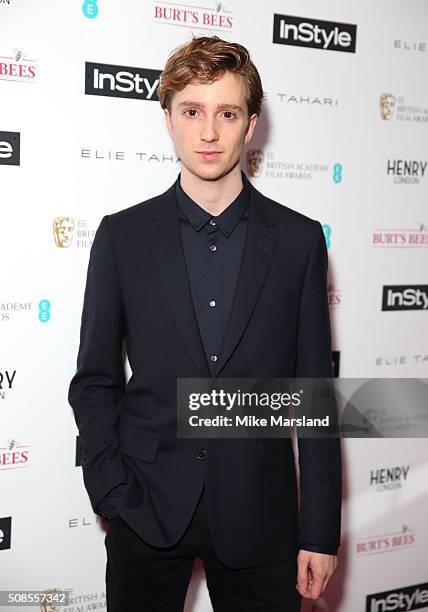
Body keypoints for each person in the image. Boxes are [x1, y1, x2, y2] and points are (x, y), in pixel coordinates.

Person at [68, 35, 341, 612]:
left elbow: (314, 395)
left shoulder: (299, 241)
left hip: (262, 519)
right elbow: (94, 379)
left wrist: (319, 530)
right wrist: (111, 489)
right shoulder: (122, 237)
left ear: (251, 124)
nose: (209, 132)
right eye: (192, 111)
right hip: (144, 509)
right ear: (168, 120)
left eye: (227, 113)